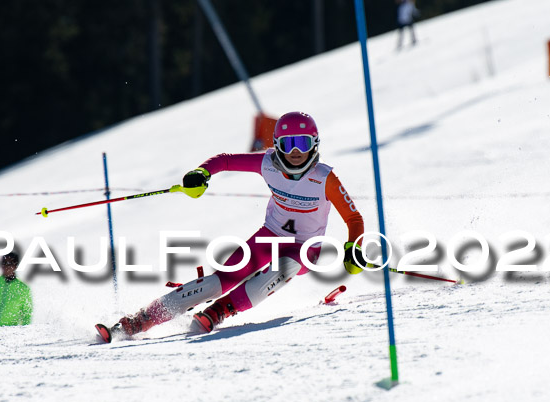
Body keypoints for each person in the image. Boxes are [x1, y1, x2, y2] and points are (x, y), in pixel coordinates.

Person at [96, 111, 366, 343]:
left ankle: (219, 311)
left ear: (315, 145)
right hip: (270, 235)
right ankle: (138, 321)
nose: (295, 152)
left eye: (302, 144)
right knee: (222, 279)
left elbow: (354, 219)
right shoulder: (268, 164)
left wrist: (354, 246)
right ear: (277, 145)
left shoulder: (324, 178)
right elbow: (224, 160)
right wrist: (201, 173)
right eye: (288, 144)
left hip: (304, 249)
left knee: (285, 266)